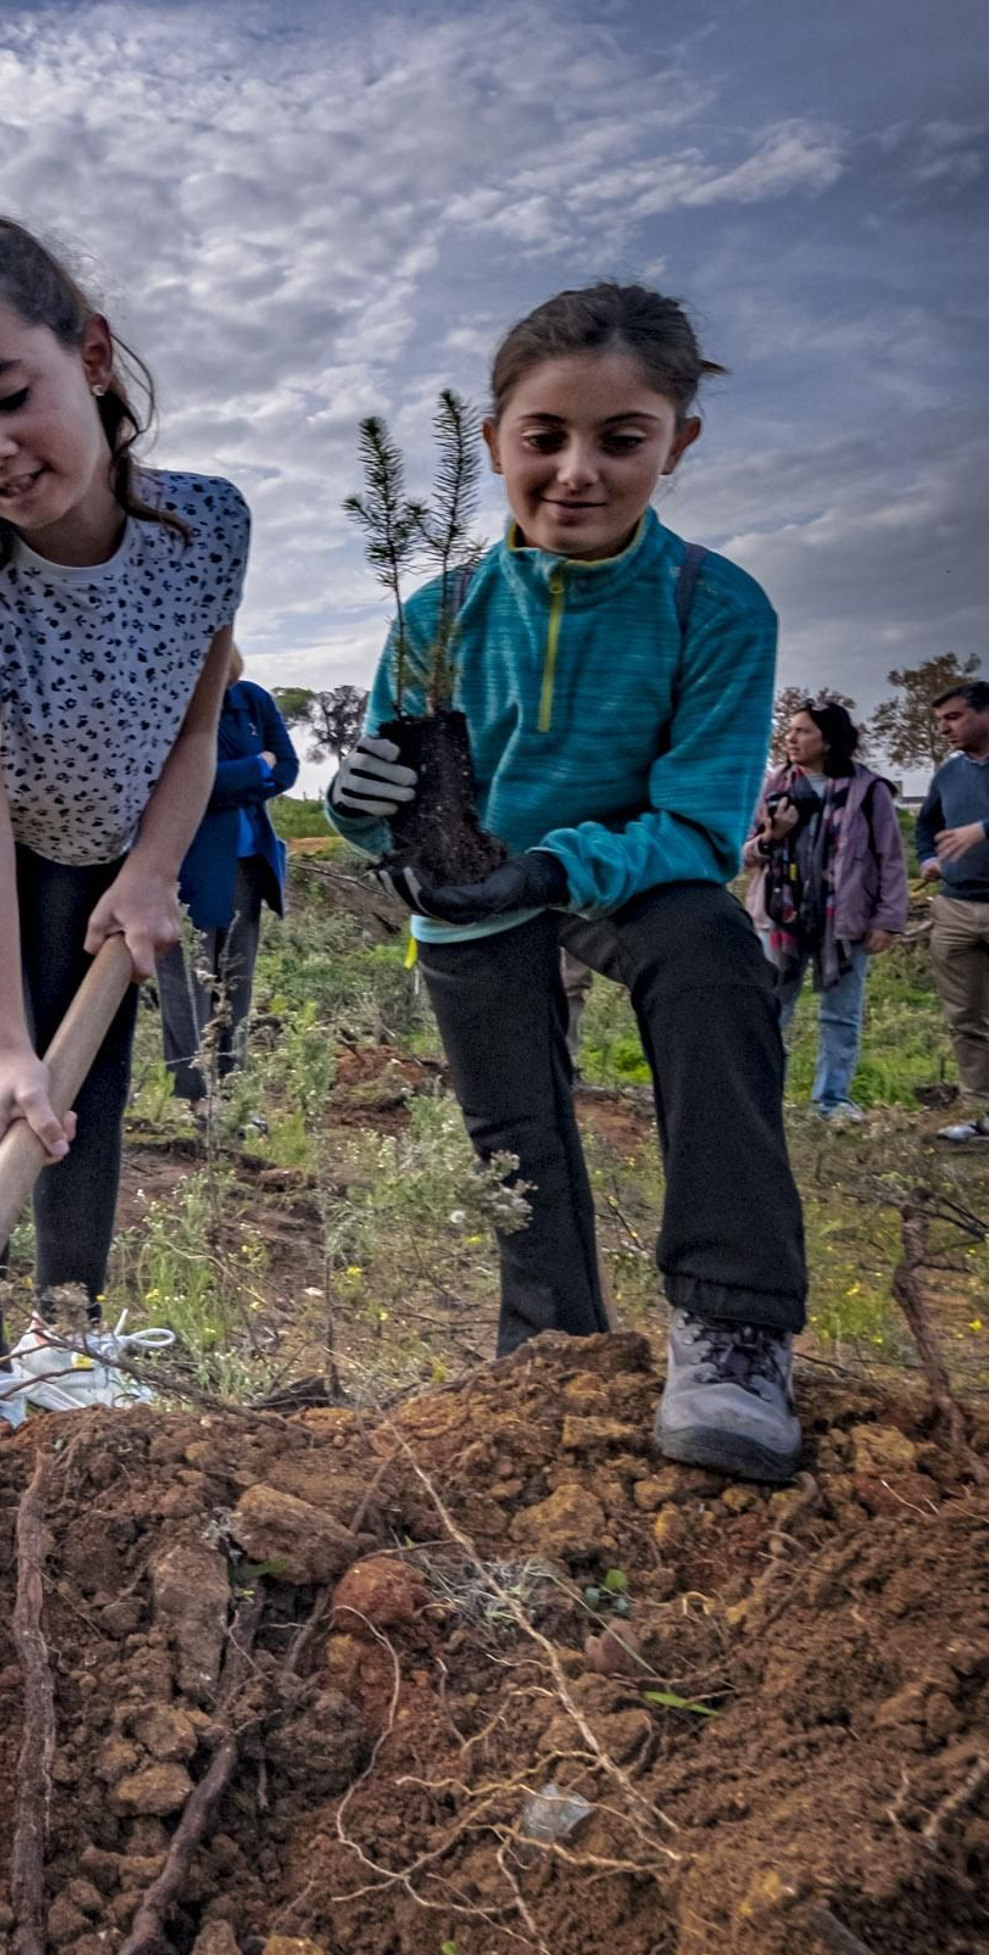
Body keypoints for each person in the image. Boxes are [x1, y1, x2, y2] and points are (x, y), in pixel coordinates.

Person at [329, 282, 806, 1483]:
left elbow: (698, 823)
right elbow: (371, 804)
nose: (576, 470)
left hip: (633, 873)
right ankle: (548, 1351)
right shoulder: (436, 616)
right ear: (494, 441)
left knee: (710, 959)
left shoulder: (713, 606)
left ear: (676, 444)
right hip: (470, 885)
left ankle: (735, 1324)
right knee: (513, 1135)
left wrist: (553, 866)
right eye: (544, 437)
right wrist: (364, 806)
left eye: (621, 439)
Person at [0, 216, 248, 1428]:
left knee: (94, 1081)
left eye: (7, 395)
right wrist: (10, 1042)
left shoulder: (206, 528)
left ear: (90, 354)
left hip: (104, 841)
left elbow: (196, 727)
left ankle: (65, 1334)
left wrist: (151, 872)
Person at [743, 701, 907, 1123]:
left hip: (844, 918)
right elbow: (742, 855)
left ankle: (832, 1101)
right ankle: (760, 1097)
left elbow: (890, 859)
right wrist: (772, 836)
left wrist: (887, 920)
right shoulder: (771, 787)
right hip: (780, 918)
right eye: (790, 730)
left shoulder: (868, 790)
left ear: (829, 740)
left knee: (840, 1014)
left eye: (803, 731)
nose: (791, 738)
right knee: (769, 1008)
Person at [158, 644, 295, 1109]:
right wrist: (256, 769)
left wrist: (219, 783)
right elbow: (176, 782)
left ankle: (232, 1091)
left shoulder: (252, 700)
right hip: (184, 863)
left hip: (249, 861)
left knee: (235, 981)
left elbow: (289, 768)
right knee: (187, 982)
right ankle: (193, 1095)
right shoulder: (165, 703)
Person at [917, 680, 989, 1143]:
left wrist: (982, 829)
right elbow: (927, 824)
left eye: (955, 717)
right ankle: (982, 1115)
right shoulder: (948, 773)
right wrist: (929, 858)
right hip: (958, 908)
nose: (945, 728)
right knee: (965, 1018)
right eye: (941, 721)